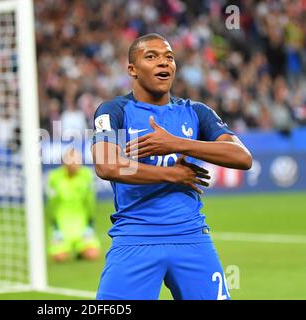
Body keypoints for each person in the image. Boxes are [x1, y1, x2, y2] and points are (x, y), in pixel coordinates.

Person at [92, 33, 252, 300]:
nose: (163, 63)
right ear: (132, 69)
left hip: (191, 237)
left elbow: (242, 157)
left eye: (169, 57)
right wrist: (171, 174)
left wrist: (176, 143)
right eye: (151, 56)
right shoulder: (113, 111)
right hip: (135, 238)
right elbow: (107, 165)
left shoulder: (197, 112)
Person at [46, 148, 101, 262]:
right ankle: (64, 246)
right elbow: (50, 204)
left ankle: (80, 250)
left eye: (77, 161)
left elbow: (90, 201)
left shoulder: (87, 175)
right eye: (71, 161)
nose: (74, 164)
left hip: (82, 225)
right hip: (62, 226)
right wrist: (54, 224)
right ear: (64, 162)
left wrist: (90, 222)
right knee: (60, 258)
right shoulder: (54, 177)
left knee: (93, 255)